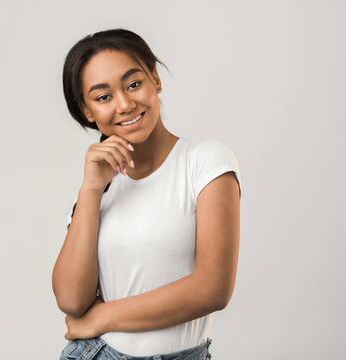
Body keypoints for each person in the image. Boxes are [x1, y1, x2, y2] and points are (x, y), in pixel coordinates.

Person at [52, 28, 242, 360]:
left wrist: (102, 317)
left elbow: (213, 288)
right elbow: (70, 300)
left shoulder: (205, 162)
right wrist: (91, 189)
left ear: (155, 80)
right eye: (103, 97)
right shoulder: (101, 186)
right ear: (87, 111)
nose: (125, 104)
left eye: (133, 84)